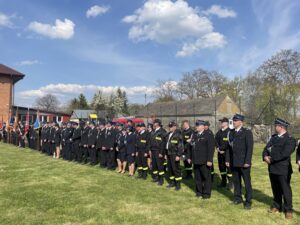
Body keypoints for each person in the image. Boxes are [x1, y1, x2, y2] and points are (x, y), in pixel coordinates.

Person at [262, 118, 296, 219]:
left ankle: (288, 209)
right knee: (275, 189)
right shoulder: (273, 138)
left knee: (285, 190)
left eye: (276, 125)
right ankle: (277, 206)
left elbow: (284, 154)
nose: (275, 127)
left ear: (281, 127)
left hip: (283, 169)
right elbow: (266, 148)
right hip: (272, 168)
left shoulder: (290, 139)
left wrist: (271, 158)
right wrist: (264, 157)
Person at [226, 113, 253, 210]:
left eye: (235, 120)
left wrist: (247, 161)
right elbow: (229, 148)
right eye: (233, 120)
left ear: (241, 122)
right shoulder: (231, 132)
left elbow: (249, 148)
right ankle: (238, 198)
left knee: (247, 183)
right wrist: (228, 160)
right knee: (236, 182)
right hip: (234, 162)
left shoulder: (247, 132)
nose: (233, 122)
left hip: (243, 162)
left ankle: (248, 201)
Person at [189, 120, 215, 199]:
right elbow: (191, 147)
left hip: (204, 160)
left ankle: (206, 193)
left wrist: (209, 160)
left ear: (203, 126)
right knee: (197, 177)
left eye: (198, 126)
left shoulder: (208, 135)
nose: (196, 127)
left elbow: (211, 149)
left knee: (206, 178)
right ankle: (199, 192)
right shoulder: (194, 135)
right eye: (196, 126)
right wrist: (189, 157)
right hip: (196, 160)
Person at [215, 117, 233, 189]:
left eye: (222, 122)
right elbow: (215, 141)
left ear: (226, 123)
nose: (221, 123)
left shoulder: (230, 132)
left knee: (229, 169)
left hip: (227, 153)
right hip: (220, 153)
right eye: (221, 122)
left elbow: (229, 143)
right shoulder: (219, 132)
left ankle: (231, 183)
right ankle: (223, 182)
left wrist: (224, 150)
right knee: (222, 168)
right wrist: (217, 148)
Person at [166, 121, 183, 190]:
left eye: (171, 126)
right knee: (170, 169)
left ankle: (178, 184)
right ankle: (172, 182)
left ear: (175, 127)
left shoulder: (178, 135)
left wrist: (178, 155)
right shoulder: (169, 134)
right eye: (169, 126)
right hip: (169, 153)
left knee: (176, 169)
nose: (170, 128)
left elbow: (180, 146)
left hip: (174, 154)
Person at [149, 119, 167, 185]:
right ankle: (156, 177)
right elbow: (150, 141)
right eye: (153, 123)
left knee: (160, 166)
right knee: (154, 165)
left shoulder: (162, 131)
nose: (153, 124)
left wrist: (161, 152)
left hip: (158, 151)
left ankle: (161, 180)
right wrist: (150, 150)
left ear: (158, 123)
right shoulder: (153, 131)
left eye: (154, 123)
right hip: (153, 150)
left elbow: (163, 143)